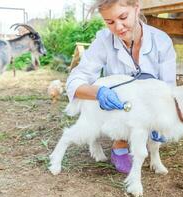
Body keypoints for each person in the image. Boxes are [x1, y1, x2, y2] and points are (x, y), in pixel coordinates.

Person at [66, 0, 176, 174]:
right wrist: (98, 92)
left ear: (137, 8)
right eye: (109, 22)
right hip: (121, 110)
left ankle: (151, 145)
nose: (118, 27)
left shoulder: (162, 41)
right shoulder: (103, 40)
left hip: (149, 108)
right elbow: (75, 81)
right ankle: (120, 143)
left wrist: (165, 118)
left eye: (123, 17)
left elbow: (169, 89)